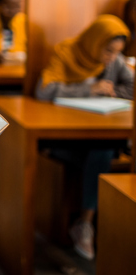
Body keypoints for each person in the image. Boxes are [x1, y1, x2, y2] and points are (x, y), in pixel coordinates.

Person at [35, 15, 134, 260]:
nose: (111, 58)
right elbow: (43, 90)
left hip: (98, 130)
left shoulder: (114, 60)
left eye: (116, 53)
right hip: (62, 134)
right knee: (104, 155)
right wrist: (88, 90)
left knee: (104, 149)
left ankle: (87, 222)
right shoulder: (67, 52)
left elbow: (131, 86)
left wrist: (111, 92)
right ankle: (87, 224)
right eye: (108, 51)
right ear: (95, 41)